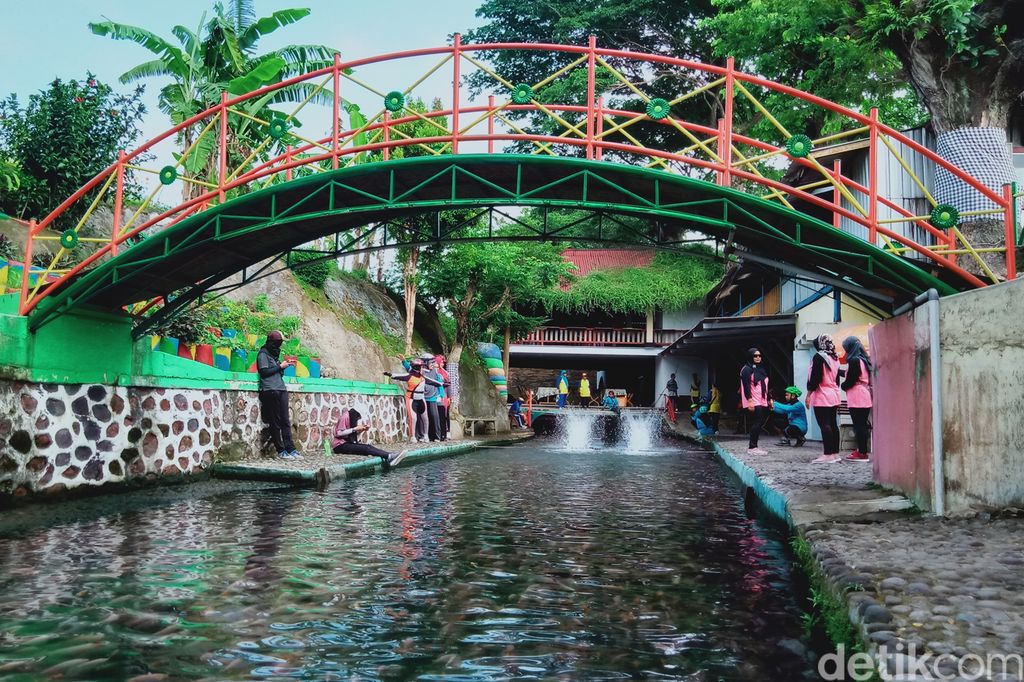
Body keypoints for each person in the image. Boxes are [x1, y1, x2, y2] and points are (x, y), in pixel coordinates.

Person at [257, 330, 300, 460]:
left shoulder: (274, 355)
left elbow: (276, 371)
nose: (279, 346)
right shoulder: (263, 354)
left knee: (285, 420)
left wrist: (283, 367)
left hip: (281, 389)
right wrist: (280, 367)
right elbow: (264, 372)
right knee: (275, 422)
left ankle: (290, 448)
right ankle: (281, 450)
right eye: (278, 343)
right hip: (270, 390)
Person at [385, 360, 441, 443]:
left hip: (421, 399)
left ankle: (426, 435)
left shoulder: (423, 378)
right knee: (413, 418)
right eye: (421, 367)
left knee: (425, 418)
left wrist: (442, 384)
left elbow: (434, 382)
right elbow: (399, 376)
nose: (422, 368)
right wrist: (390, 374)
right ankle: (413, 436)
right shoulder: (409, 376)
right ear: (417, 368)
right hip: (411, 399)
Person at [807, 334, 842, 464]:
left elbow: (816, 378)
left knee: (824, 424)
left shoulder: (819, 357)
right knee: (833, 423)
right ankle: (835, 453)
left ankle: (827, 454)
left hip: (822, 394)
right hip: (834, 393)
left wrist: (809, 394)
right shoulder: (835, 357)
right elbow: (837, 379)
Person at [332, 407, 407, 466]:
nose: (359, 418)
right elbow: (339, 433)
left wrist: (361, 430)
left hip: (347, 442)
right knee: (365, 448)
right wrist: (355, 429)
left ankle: (390, 455)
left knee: (369, 446)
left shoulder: (353, 417)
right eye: (359, 416)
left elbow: (350, 434)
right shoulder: (345, 416)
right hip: (339, 445)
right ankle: (389, 457)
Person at [841, 336, 873, 462]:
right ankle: (862, 450)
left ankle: (862, 452)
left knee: (858, 425)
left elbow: (851, 379)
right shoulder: (863, 360)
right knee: (862, 425)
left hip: (857, 395)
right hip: (864, 394)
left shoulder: (854, 360)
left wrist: (844, 386)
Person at [739, 347, 772, 455]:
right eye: (755, 356)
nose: (758, 357)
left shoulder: (761, 368)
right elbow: (746, 386)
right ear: (750, 357)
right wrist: (749, 400)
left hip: (762, 399)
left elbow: (766, 385)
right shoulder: (746, 369)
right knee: (757, 422)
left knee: (760, 422)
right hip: (753, 400)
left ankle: (754, 446)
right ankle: (752, 447)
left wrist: (769, 399)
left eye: (759, 356)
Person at [422, 354, 447, 442]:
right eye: (431, 362)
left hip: (433, 397)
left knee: (434, 416)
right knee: (425, 417)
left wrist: (442, 395)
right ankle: (427, 435)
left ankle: (437, 436)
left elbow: (439, 384)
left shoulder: (435, 372)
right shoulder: (421, 371)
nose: (433, 364)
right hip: (423, 397)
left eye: (434, 362)